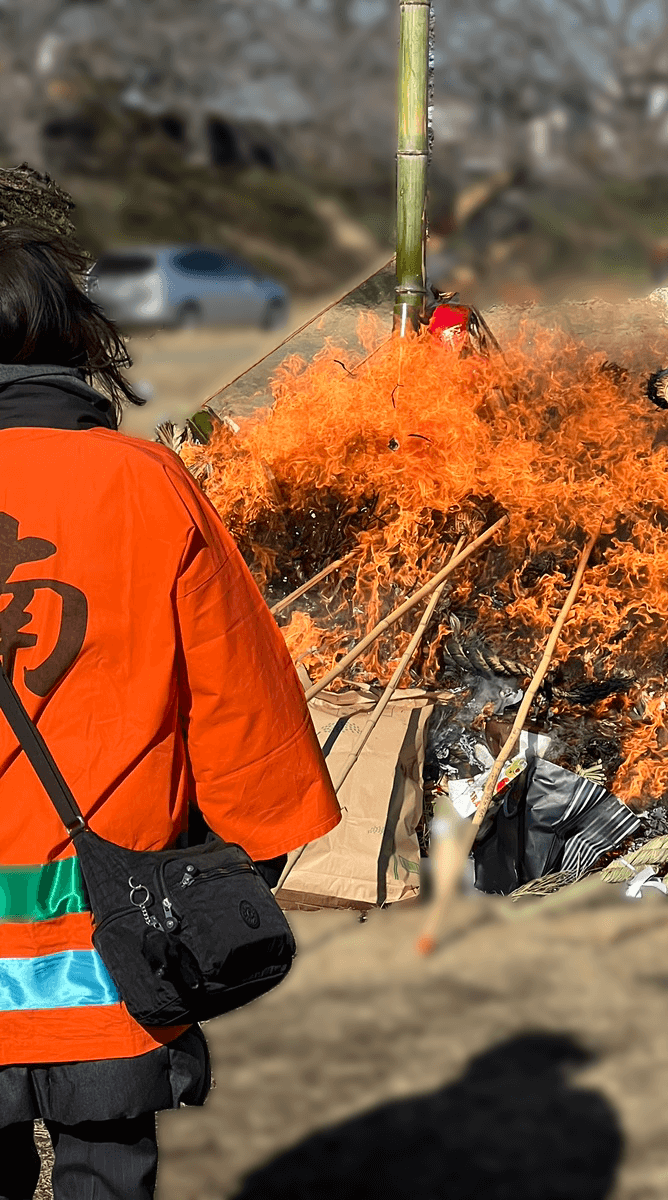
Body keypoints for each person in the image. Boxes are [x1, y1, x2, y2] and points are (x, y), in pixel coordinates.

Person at [0, 208, 340, 1198]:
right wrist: (252, 845)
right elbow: (237, 688)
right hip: (109, 937)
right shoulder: (145, 483)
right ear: (75, 338)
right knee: (109, 1170)